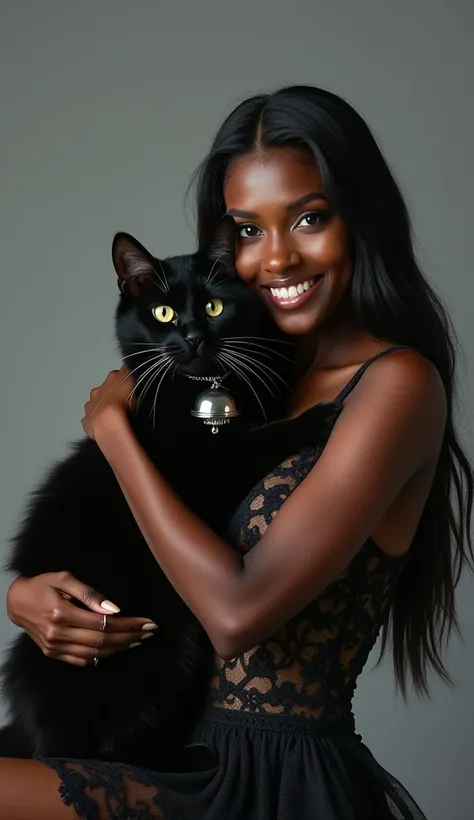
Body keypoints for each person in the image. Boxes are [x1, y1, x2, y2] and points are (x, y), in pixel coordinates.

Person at [0, 84, 472, 819]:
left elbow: (234, 613)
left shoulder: (397, 386)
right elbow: (138, 541)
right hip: (169, 740)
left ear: (362, 217)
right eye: (248, 231)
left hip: (264, 784)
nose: (278, 258)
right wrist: (28, 598)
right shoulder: (253, 376)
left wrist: (115, 432)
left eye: (309, 218)